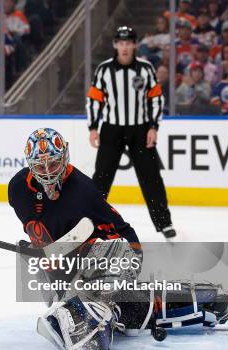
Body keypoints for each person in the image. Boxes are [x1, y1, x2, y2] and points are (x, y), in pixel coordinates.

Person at [8, 128, 228, 350]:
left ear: (65, 157)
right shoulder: (17, 189)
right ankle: (105, 309)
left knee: (115, 264)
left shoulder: (84, 192)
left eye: (54, 163)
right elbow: (41, 231)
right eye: (41, 167)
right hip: (61, 273)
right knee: (101, 306)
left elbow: (128, 241)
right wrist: (38, 251)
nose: (49, 173)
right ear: (30, 164)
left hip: (93, 268)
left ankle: (104, 311)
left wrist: (114, 280)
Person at [86, 26, 175, 239]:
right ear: (115, 45)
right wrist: (92, 127)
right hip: (111, 129)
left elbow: (156, 99)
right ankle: (91, 221)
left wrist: (154, 126)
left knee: (151, 177)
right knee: (101, 178)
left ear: (135, 44)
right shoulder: (104, 70)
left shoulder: (145, 69)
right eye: (121, 43)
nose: (125, 47)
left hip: (140, 130)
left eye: (128, 43)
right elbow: (94, 100)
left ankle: (164, 223)